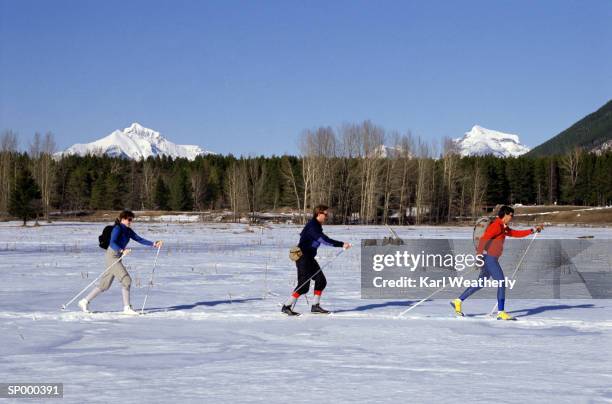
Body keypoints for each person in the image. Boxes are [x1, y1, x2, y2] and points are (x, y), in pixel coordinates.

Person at [451, 205, 543, 320]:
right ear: (505, 215)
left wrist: (532, 230)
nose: (512, 217)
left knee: (480, 283)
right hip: (489, 258)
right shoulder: (496, 226)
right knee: (501, 282)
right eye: (511, 215)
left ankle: (458, 301)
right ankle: (501, 312)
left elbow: (515, 233)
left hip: (490, 258)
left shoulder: (503, 227)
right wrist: (479, 256)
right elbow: (484, 239)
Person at [79, 210, 163, 315]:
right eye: (129, 219)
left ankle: (84, 301)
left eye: (131, 219)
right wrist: (122, 250)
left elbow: (139, 239)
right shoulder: (117, 228)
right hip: (112, 256)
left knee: (104, 285)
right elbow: (112, 242)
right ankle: (127, 308)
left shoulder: (128, 230)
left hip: (117, 256)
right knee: (126, 280)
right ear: (122, 219)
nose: (130, 221)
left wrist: (154, 244)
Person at [281, 205, 351, 316]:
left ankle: (315, 306)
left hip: (309, 258)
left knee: (321, 280)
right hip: (303, 258)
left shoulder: (316, 225)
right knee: (303, 286)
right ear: (319, 214)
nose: (327, 216)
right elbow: (324, 240)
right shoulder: (313, 226)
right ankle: (287, 306)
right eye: (325, 214)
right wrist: (342, 244)